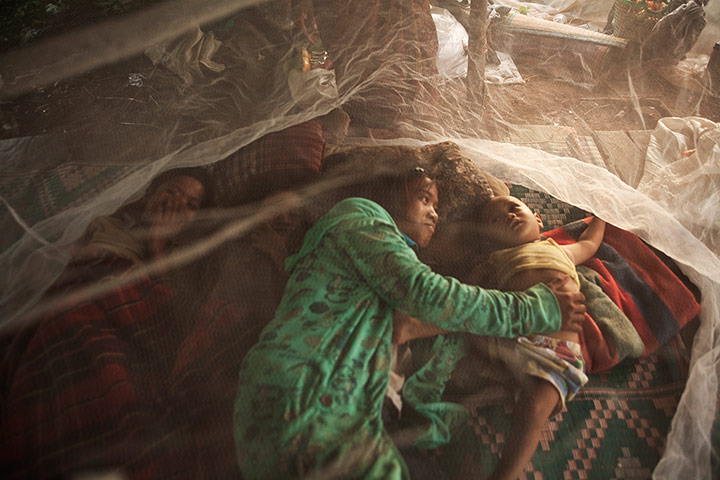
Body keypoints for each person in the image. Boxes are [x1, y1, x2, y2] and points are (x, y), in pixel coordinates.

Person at [233, 167, 587, 480]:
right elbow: (428, 295)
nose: (434, 213)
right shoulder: (362, 215)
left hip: (319, 404)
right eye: (424, 199)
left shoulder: (344, 256)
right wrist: (538, 308)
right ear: (390, 195)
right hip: (310, 398)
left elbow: (397, 320)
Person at [465, 195, 606, 480]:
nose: (508, 216)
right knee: (466, 337)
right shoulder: (495, 261)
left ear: (538, 219)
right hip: (510, 342)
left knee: (534, 406)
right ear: (490, 241)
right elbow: (467, 298)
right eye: (495, 220)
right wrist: (476, 272)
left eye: (514, 208)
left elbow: (590, 244)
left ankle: (505, 474)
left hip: (555, 351)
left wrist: (603, 214)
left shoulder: (559, 250)